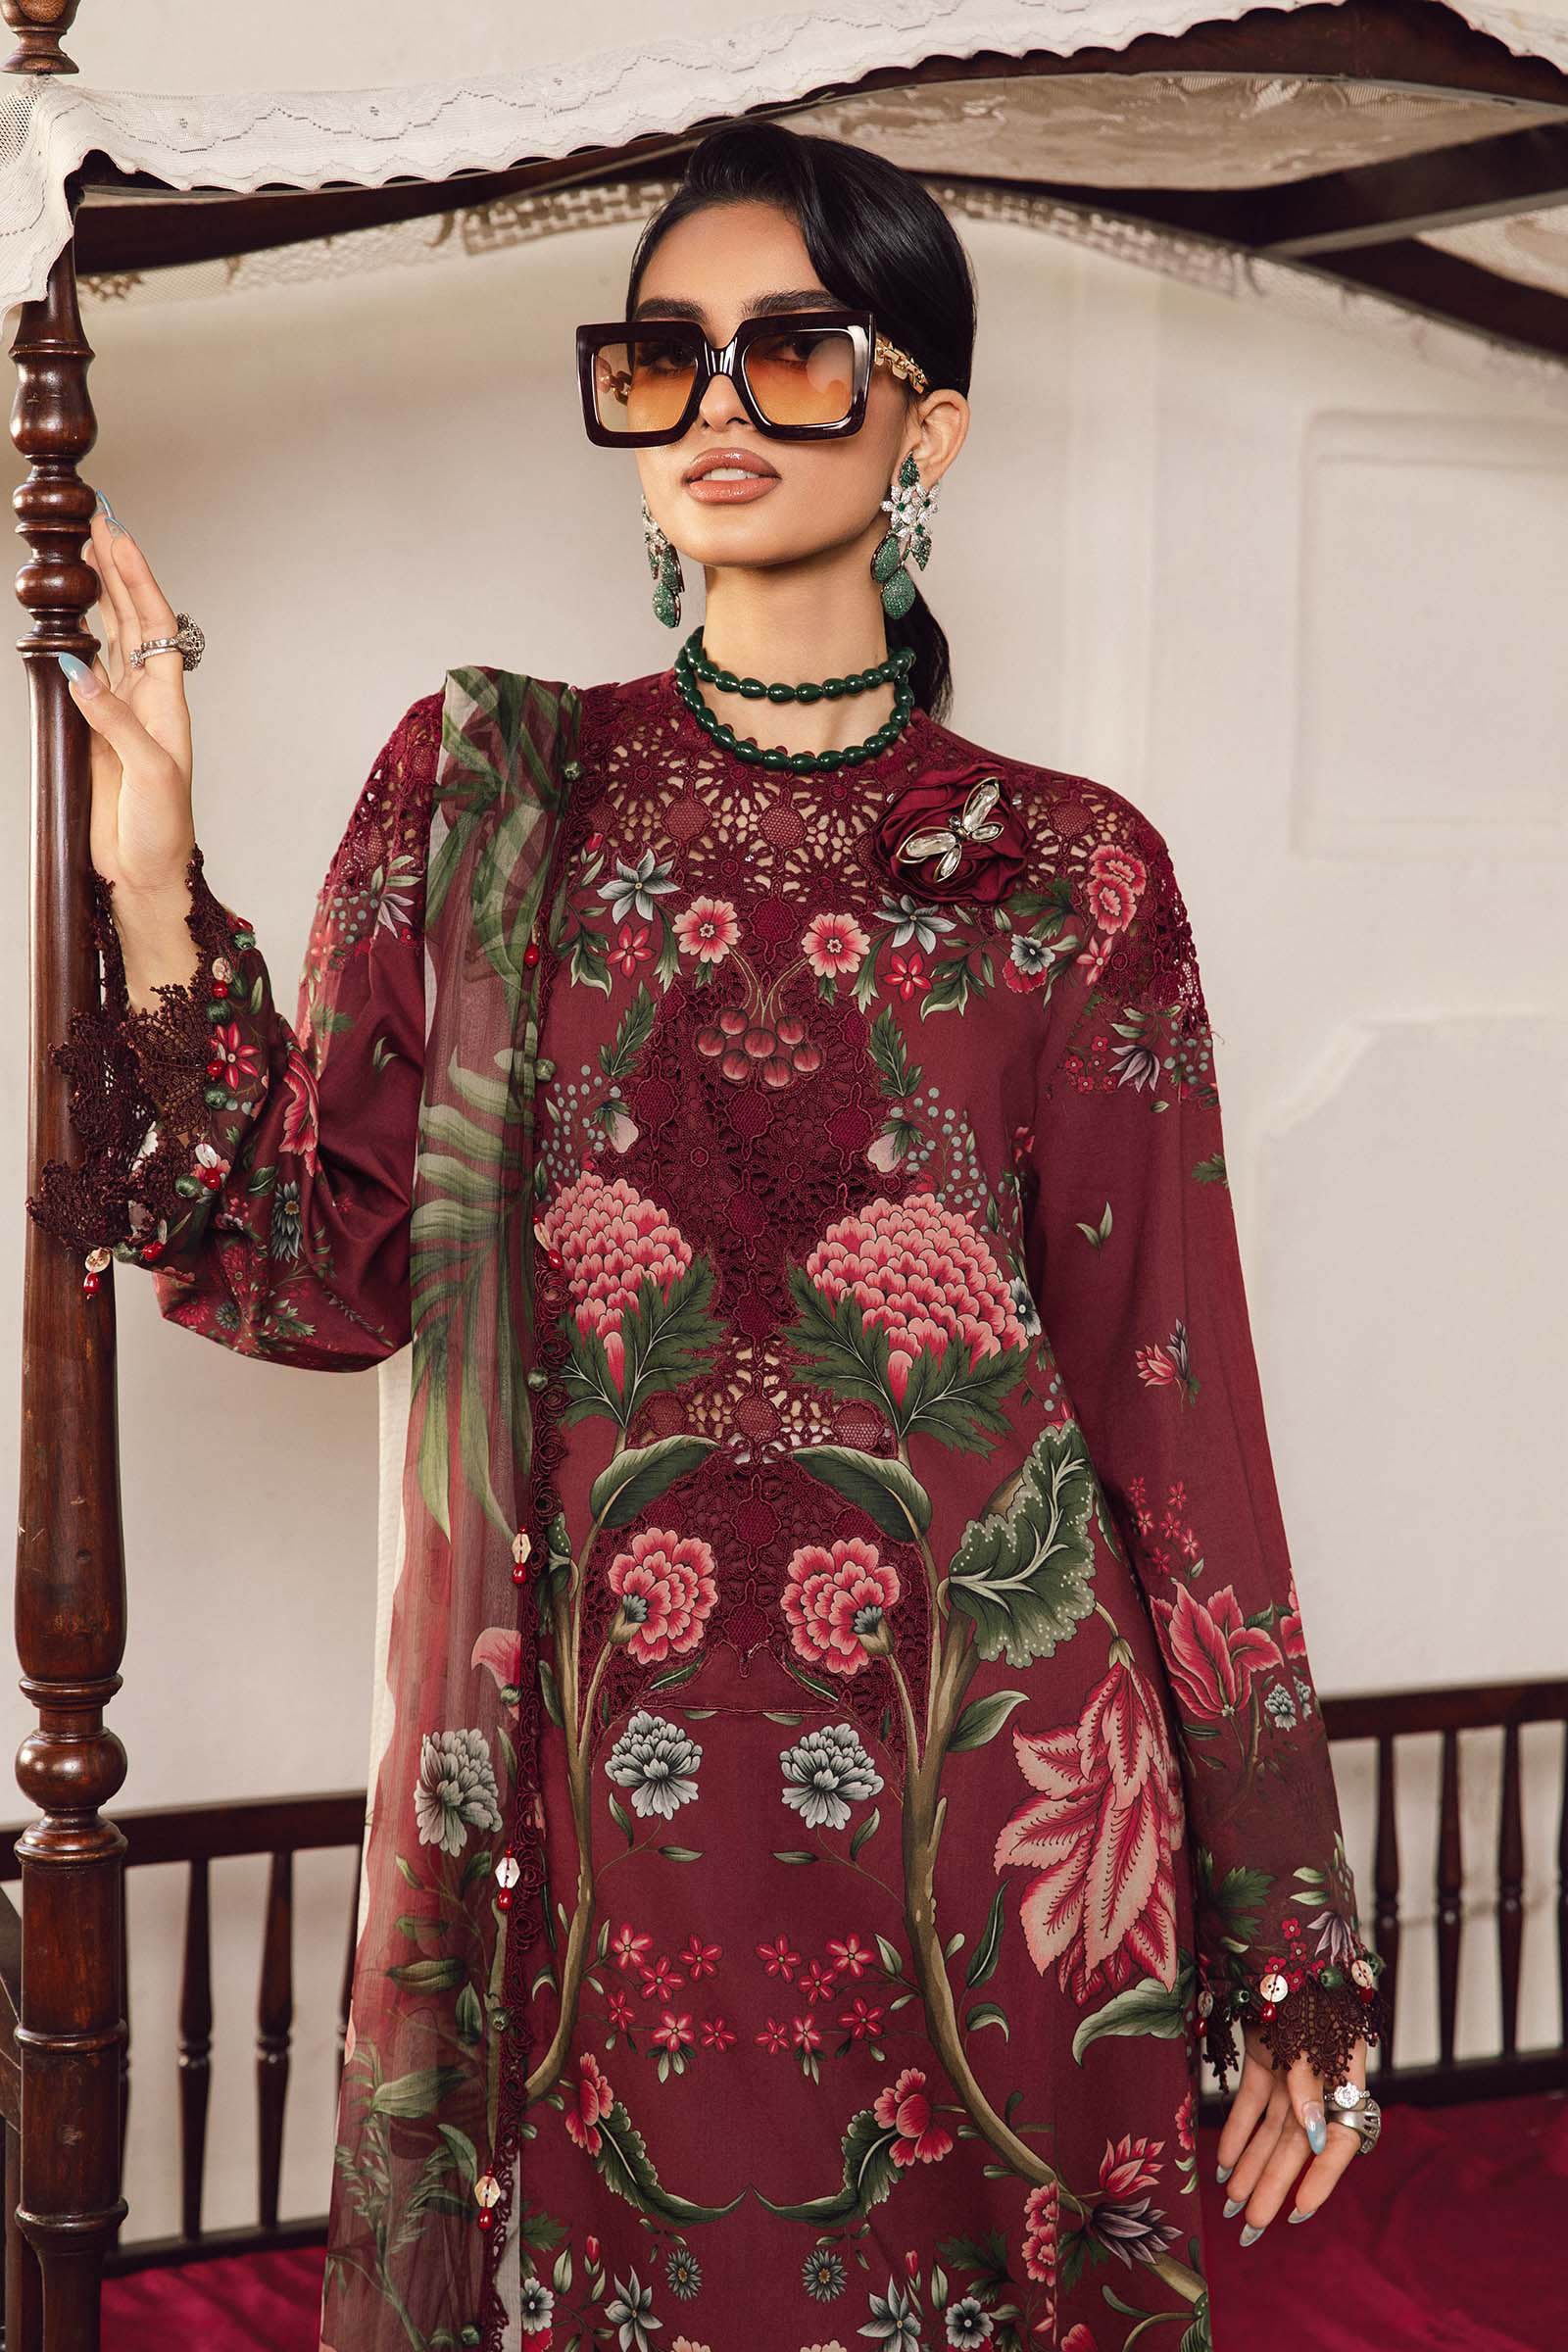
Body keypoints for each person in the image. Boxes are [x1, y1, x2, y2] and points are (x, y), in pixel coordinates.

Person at [28, 120, 1387, 2352]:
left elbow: (1171, 1415)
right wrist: (157, 870)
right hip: (572, 1833)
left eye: (791, 349)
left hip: (985, 1835)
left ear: (926, 420)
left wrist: (1289, 1932)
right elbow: (306, 1264)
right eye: (661, 359)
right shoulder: (489, 796)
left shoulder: (1068, 874)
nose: (720, 403)